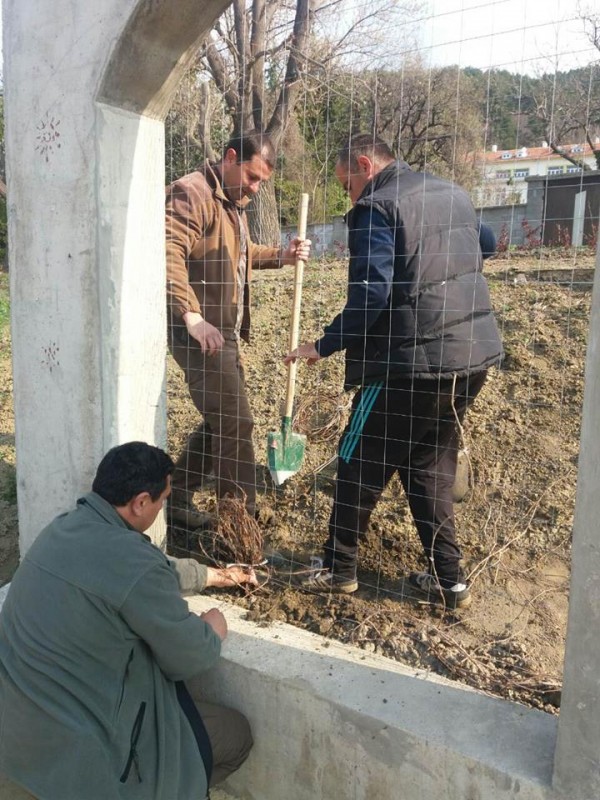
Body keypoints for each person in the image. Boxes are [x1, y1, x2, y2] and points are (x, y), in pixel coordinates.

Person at [286, 134, 503, 609]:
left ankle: (338, 568)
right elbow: (487, 244)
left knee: (356, 461)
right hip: (471, 357)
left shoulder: (377, 207)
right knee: (428, 467)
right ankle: (450, 581)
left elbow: (371, 295)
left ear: (364, 165)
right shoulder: (451, 192)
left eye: (347, 185)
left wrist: (323, 345)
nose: (350, 196)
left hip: (406, 364)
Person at [0, 441, 256, 800]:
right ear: (140, 503)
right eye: (163, 500)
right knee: (236, 736)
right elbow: (188, 657)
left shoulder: (63, 529)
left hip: (15, 739)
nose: (164, 506)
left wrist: (215, 576)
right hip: (77, 758)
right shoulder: (133, 562)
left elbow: (148, 570)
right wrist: (211, 629)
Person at [166, 130, 311, 528]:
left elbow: (240, 254)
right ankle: (239, 528)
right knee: (236, 423)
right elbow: (167, 252)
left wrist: (281, 256)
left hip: (221, 333)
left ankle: (175, 497)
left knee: (223, 421)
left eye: (262, 181)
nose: (256, 188)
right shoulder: (191, 193)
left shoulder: (233, 203)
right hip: (197, 331)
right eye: (252, 176)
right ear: (230, 158)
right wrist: (191, 317)